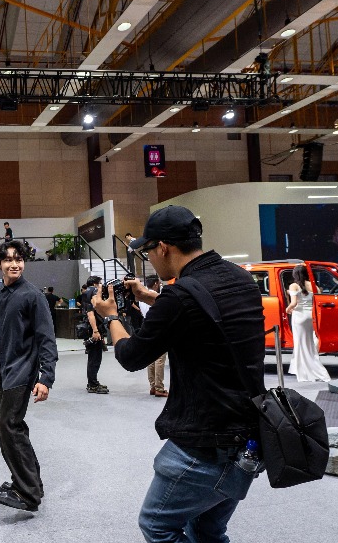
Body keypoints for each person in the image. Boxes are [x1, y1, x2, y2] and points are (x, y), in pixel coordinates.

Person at [91, 205, 265, 541]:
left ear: (163, 247)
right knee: (207, 528)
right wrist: (154, 298)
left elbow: (130, 356)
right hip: (251, 433)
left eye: (147, 251)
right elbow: (206, 316)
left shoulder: (180, 295)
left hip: (207, 439)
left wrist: (111, 316)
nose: (149, 259)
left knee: (156, 525)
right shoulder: (240, 278)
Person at [0, 239, 58, 512]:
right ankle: (28, 483)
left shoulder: (33, 295)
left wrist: (45, 377)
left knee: (9, 428)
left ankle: (28, 494)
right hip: (2, 371)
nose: (14, 264)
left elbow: (46, 339)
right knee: (15, 428)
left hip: (22, 371)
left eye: (18, 259)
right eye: (8, 259)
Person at [286, 264, 330, 383]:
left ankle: (306, 372)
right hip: (311, 316)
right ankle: (310, 369)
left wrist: (287, 309)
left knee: (301, 344)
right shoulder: (313, 285)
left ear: (295, 274)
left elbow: (294, 303)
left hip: (299, 317)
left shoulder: (294, 286)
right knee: (310, 343)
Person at [138, 275, 168, 398]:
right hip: (159, 328)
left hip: (146, 326)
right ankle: (159, 388)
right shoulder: (156, 297)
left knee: (150, 358)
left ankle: (152, 386)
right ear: (155, 283)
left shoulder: (141, 298)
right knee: (160, 359)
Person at [80, 276, 109, 394]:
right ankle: (92, 384)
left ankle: (92, 382)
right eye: (99, 283)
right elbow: (90, 314)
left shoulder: (86, 293)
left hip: (91, 328)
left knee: (94, 357)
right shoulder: (93, 293)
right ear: (95, 284)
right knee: (95, 358)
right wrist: (95, 331)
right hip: (93, 329)